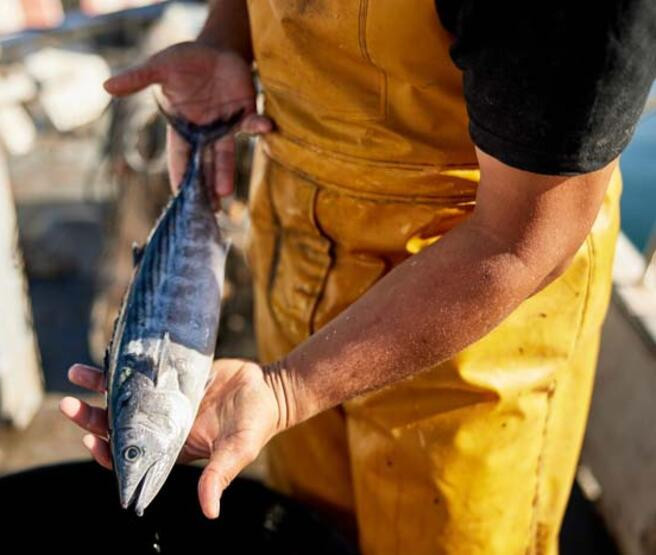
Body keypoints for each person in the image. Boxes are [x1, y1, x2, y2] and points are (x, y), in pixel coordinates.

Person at [60, 1, 656, 552]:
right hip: (293, 258)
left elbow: (523, 240)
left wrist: (289, 390)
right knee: (313, 533)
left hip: (470, 321)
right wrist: (226, 37)